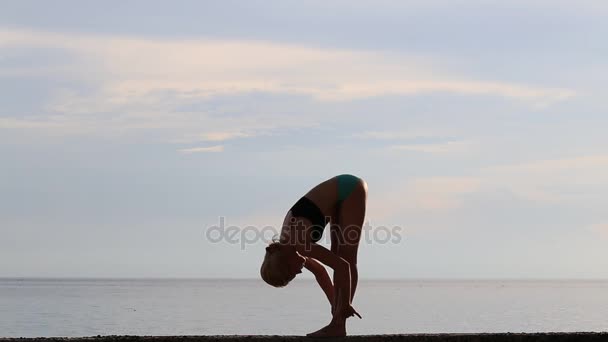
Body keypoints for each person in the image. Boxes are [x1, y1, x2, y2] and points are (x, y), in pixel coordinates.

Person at [260, 174, 367, 337]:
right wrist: (335, 305)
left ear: (287, 263)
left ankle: (338, 325)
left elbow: (343, 266)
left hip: (349, 189)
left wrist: (344, 304)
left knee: (346, 257)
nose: (299, 273)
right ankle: (337, 323)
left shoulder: (299, 244)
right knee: (336, 254)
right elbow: (321, 272)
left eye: (293, 274)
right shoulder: (288, 246)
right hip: (339, 197)